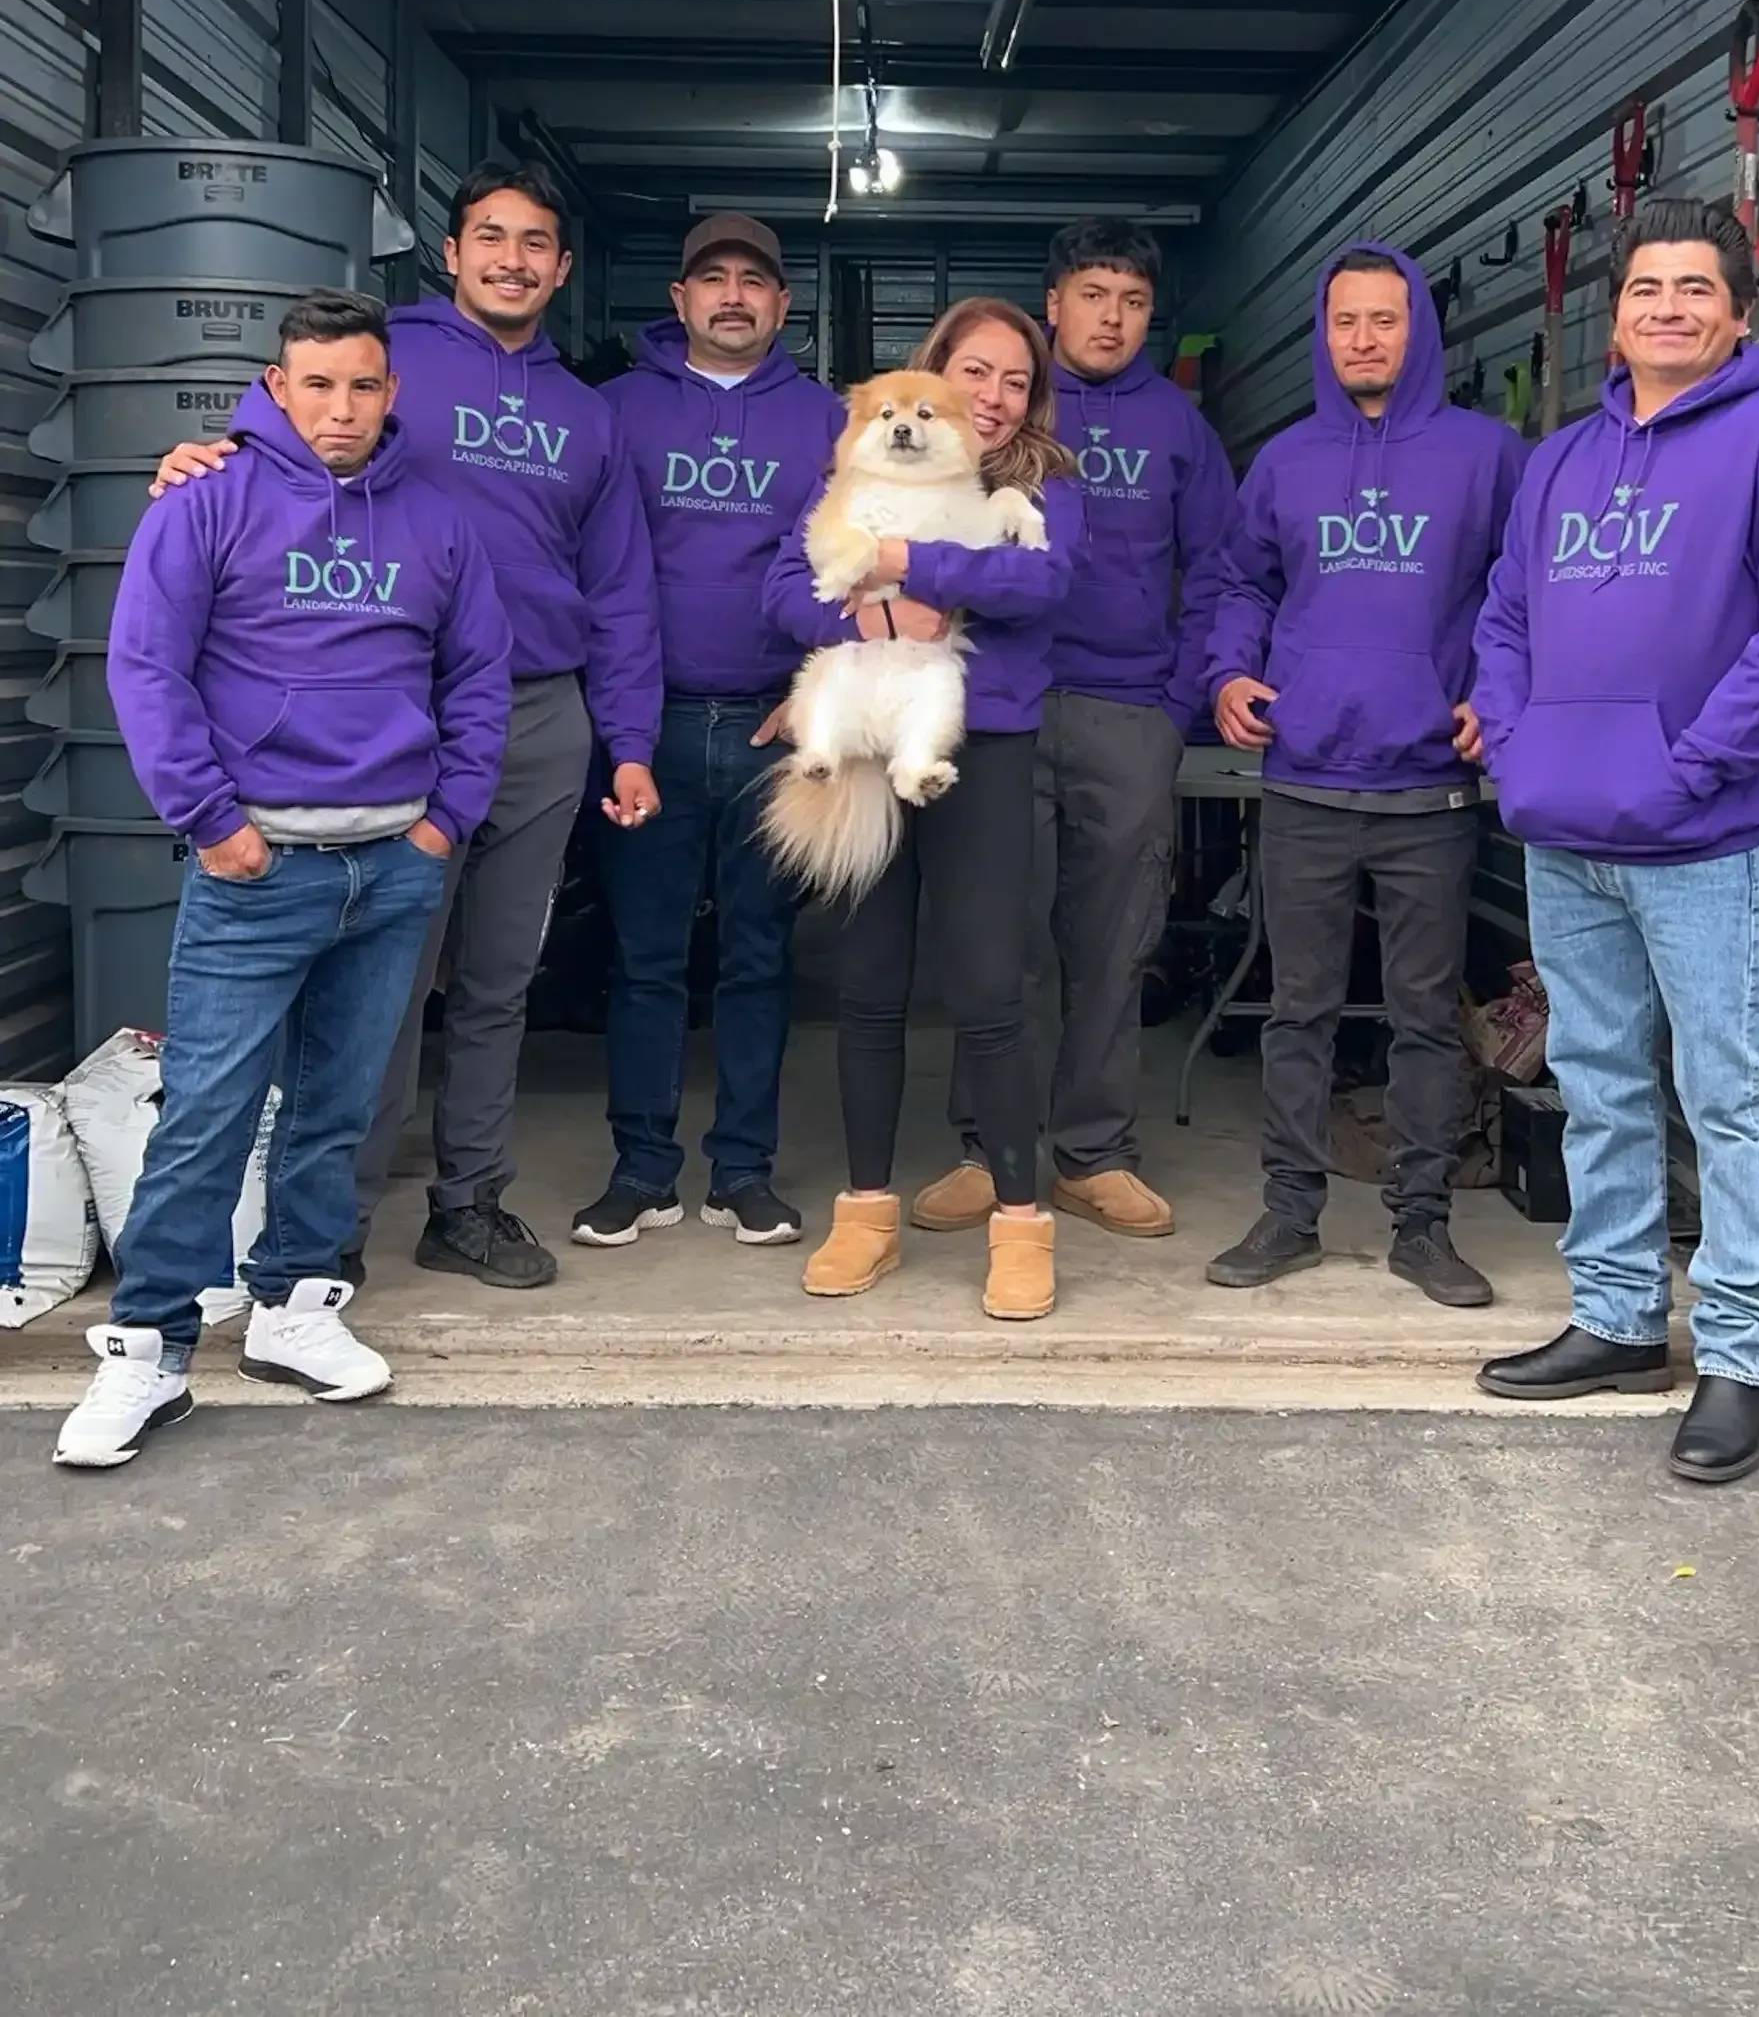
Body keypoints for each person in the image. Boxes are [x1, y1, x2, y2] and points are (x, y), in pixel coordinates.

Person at [147, 161, 661, 1290]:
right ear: (453, 250)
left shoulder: (587, 410)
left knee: (495, 980)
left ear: (561, 267)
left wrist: (627, 739)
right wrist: (202, 459)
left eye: (535, 243)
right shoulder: (394, 358)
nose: (513, 259)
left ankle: (468, 1202)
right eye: (492, 237)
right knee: (374, 985)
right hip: (389, 715)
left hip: (536, 716)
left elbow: (620, 587)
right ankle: (327, 1226)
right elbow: (277, 423)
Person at [57, 294, 511, 1467]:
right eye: (317, 385)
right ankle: (148, 1347)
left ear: (392, 390)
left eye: (363, 386)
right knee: (207, 1112)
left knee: (338, 1106)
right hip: (257, 867)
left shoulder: (440, 519)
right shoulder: (205, 499)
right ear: (277, 384)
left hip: (393, 864)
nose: (341, 410)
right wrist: (212, 825)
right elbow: (146, 670)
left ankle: (294, 1307)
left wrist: (445, 821)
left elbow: (479, 678)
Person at [1472, 200, 1759, 1485]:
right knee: (1596, 1077)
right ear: (1619, 313)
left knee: (1728, 1093)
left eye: (1695, 290)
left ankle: (1741, 1355)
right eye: (1646, 290)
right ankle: (1621, 1318)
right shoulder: (1560, 461)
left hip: (1702, 836)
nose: (1667, 310)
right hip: (1566, 829)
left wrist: (1694, 764)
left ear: (1740, 310)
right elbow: (1506, 621)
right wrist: (1522, 750)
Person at [1203, 244, 1526, 1306]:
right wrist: (1229, 674)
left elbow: (1522, 593)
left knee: (1427, 1016)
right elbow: (1240, 582)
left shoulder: (1486, 456)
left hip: (1428, 787)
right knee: (1300, 1012)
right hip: (1303, 781)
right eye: (1345, 322)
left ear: (1418, 330)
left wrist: (1498, 689)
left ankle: (1421, 1227)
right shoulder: (1286, 461)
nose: (1364, 340)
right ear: (1322, 332)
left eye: (1385, 320)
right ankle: (1289, 1214)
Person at [764, 298, 1085, 1319]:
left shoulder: (1044, 487)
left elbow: (1035, 585)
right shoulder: (851, 477)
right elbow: (784, 585)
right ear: (939, 375)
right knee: (868, 986)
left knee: (992, 991)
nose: (994, 397)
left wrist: (906, 565)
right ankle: (864, 1214)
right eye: (976, 373)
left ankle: (1022, 1224)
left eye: (1016, 381)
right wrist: (868, 606)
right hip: (869, 739)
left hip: (982, 748)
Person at [918, 221, 1235, 1242]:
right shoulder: (990, 412)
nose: (1112, 317)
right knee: (994, 932)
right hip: (990, 703)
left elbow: (1220, 570)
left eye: (1134, 300)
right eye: (1093, 294)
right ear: (1052, 304)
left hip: (1125, 710)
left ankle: (1095, 1152)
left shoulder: (1181, 429)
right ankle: (985, 1145)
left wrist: (1177, 699)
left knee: (1113, 940)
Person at [571, 216, 840, 1250]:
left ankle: (743, 1172)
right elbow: (603, 575)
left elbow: (854, 568)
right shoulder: (613, 412)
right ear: (679, 300)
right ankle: (642, 1168)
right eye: (712, 279)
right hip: (650, 725)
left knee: (759, 956)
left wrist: (818, 688)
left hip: (778, 729)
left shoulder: (825, 421)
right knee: (643, 960)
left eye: (756, 283)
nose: (735, 296)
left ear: (782, 305)